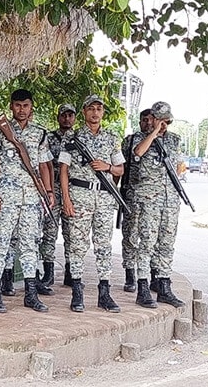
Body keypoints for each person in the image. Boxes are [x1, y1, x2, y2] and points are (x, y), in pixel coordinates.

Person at [0, 89, 53, 314]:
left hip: (32, 198)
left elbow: (43, 165)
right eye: (17, 105)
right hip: (6, 197)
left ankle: (31, 294)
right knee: (1, 243)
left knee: (29, 245)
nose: (21, 109)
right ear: (11, 106)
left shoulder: (40, 133)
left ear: (31, 107)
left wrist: (48, 191)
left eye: (25, 105)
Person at [58, 95, 124, 313]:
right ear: (84, 112)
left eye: (99, 109)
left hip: (103, 198)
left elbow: (120, 169)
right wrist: (66, 199)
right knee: (77, 245)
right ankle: (77, 292)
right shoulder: (72, 137)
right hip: (79, 196)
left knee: (104, 245)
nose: (95, 113)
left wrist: (107, 167)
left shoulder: (111, 138)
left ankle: (104, 293)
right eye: (91, 109)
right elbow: (64, 170)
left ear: (103, 112)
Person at [130, 102, 186, 309]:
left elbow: (179, 166)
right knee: (147, 243)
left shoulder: (174, 140)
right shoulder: (140, 138)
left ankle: (164, 286)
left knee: (167, 243)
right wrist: (153, 133)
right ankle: (143, 287)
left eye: (166, 120)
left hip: (170, 200)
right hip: (149, 199)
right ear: (152, 119)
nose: (164, 124)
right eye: (159, 120)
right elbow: (138, 153)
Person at [40, 103, 77, 292]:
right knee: (50, 231)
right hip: (53, 188)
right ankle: (48, 272)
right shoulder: (49, 137)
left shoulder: (79, 138)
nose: (67, 119)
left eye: (70, 115)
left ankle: (71, 272)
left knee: (72, 232)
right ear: (58, 117)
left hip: (73, 190)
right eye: (64, 115)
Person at [120, 109, 152, 293]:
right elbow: (121, 166)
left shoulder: (162, 140)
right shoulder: (130, 141)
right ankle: (130, 273)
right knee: (130, 235)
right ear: (139, 122)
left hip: (154, 199)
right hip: (132, 195)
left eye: (150, 120)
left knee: (150, 236)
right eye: (144, 120)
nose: (147, 123)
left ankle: (152, 275)